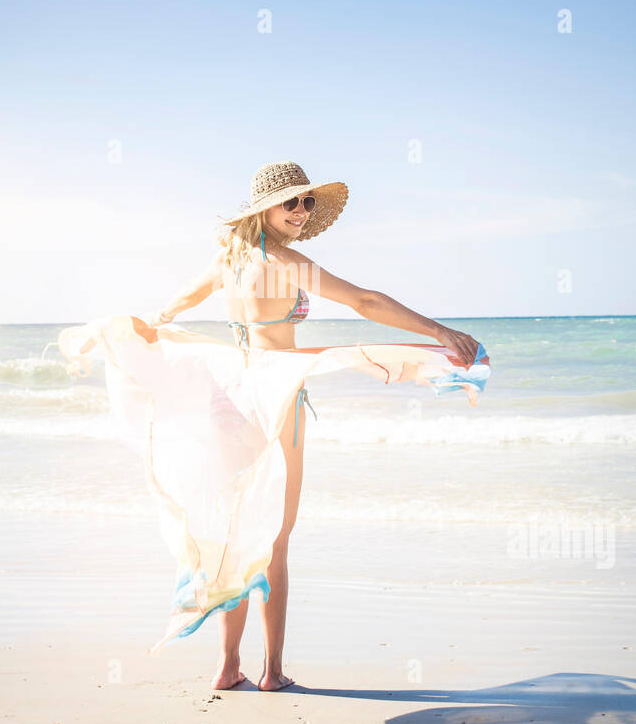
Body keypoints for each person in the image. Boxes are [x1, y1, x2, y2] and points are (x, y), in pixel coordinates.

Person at [53, 161, 488, 691]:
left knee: (236, 528)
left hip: (231, 399)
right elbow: (365, 301)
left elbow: (177, 304)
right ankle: (272, 672)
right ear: (265, 209)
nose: (302, 212)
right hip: (275, 400)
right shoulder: (286, 263)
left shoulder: (226, 261)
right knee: (276, 540)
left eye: (307, 203)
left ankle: (226, 665)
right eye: (293, 203)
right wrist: (439, 330)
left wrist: (151, 327)